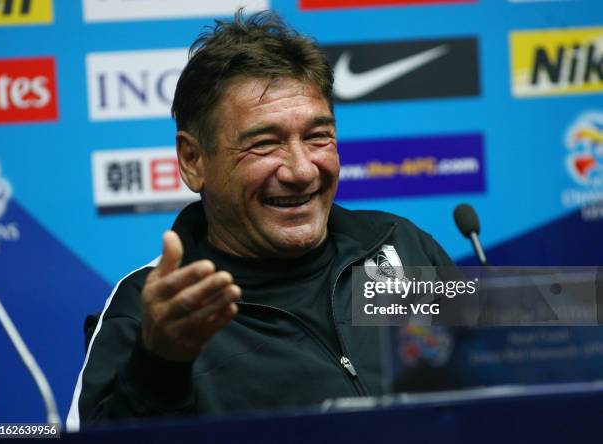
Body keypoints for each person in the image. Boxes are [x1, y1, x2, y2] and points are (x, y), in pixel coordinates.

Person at [67, 10, 453, 431]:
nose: (302, 170)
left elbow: (510, 373)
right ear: (193, 160)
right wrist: (159, 364)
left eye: (317, 137)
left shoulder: (400, 245)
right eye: (265, 144)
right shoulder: (156, 309)